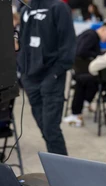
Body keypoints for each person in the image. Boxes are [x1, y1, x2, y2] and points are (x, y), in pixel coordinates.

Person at [18, 0, 76, 155]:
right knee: (45, 129)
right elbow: (22, 43)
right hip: (30, 79)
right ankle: (57, 169)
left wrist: (54, 75)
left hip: (52, 78)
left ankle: (62, 173)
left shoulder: (59, 8)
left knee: (51, 130)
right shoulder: (25, 10)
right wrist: (23, 73)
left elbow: (68, 45)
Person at [63, 22, 106, 127]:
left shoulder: (89, 35)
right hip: (82, 72)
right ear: (103, 29)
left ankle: (87, 102)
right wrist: (99, 56)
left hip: (79, 71)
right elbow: (81, 52)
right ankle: (83, 105)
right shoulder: (91, 36)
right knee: (100, 78)